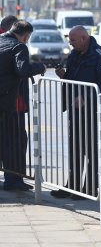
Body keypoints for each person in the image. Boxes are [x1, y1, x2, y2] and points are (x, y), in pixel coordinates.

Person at [51, 26, 101, 199]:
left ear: (84, 38)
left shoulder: (99, 55)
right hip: (75, 109)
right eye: (69, 40)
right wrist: (63, 75)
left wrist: (86, 98)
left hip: (91, 111)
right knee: (74, 148)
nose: (70, 43)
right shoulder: (74, 54)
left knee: (90, 150)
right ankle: (72, 185)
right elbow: (72, 79)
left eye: (73, 40)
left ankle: (90, 188)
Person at [0, 20, 46, 191]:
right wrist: (40, 66)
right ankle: (14, 181)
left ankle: (12, 179)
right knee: (14, 142)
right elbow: (23, 69)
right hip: (6, 104)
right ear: (26, 36)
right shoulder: (19, 47)